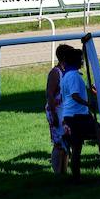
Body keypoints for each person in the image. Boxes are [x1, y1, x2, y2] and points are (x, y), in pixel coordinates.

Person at [60, 48, 95, 182]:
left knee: (76, 148)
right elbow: (75, 95)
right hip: (77, 116)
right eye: (80, 59)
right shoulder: (73, 75)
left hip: (72, 115)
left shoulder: (67, 75)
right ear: (74, 61)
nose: (82, 61)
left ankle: (76, 177)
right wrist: (88, 104)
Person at [45, 45, 69, 175]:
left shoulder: (66, 72)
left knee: (66, 142)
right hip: (55, 111)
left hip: (63, 112)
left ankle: (63, 170)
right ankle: (58, 172)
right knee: (59, 143)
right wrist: (54, 114)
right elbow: (50, 95)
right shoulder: (55, 73)